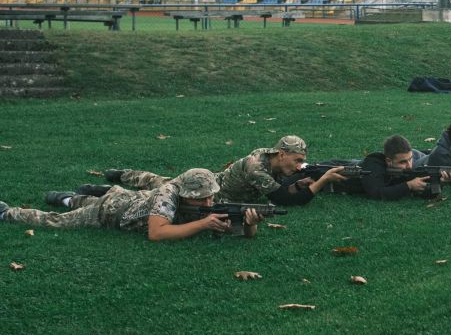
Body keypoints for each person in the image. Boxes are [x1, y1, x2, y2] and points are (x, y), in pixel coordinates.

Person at [0, 169, 261, 241]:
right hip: (110, 211)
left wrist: (249, 225)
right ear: (185, 192)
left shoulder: (208, 201)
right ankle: (8, 212)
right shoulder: (168, 194)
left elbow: (238, 234)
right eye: (201, 198)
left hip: (128, 198)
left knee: (83, 201)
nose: (208, 202)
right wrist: (202, 223)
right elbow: (157, 233)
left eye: (210, 197)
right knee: (57, 221)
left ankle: (67, 198)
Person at [100, 135, 346, 206]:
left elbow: (284, 187)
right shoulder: (257, 167)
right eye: (297, 159)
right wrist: (321, 181)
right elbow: (283, 199)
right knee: (155, 193)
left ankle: (121, 174)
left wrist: (296, 183)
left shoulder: (272, 160)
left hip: (214, 181)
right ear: (281, 154)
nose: (299, 165)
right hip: (213, 193)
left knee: (158, 180)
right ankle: (105, 189)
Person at [355, 135, 451, 200]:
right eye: (403, 162)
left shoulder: (405, 171)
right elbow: (376, 193)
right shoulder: (374, 162)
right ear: (389, 161)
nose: (409, 165)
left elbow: (424, 194)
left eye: (410, 159)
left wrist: (441, 182)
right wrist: (408, 185)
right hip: (348, 167)